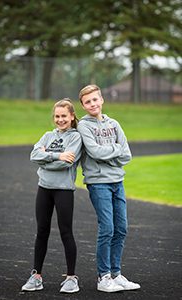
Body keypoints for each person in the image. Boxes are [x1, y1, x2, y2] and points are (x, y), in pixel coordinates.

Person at [77, 84, 140, 293]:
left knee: (121, 228)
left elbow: (127, 155)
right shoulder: (84, 126)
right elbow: (94, 152)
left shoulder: (114, 124)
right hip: (98, 183)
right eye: (88, 102)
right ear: (83, 106)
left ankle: (116, 274)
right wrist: (115, 151)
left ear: (102, 100)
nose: (92, 104)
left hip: (117, 182)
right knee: (108, 229)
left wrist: (110, 154)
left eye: (95, 99)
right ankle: (103, 277)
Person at [21, 99, 82, 294]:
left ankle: (71, 278)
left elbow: (67, 163)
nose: (60, 119)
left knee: (66, 232)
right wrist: (56, 155)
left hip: (63, 190)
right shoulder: (48, 135)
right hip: (44, 188)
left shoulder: (76, 138)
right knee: (42, 231)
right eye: (57, 116)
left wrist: (45, 158)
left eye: (64, 116)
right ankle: (36, 275)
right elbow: (33, 156)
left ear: (71, 116)